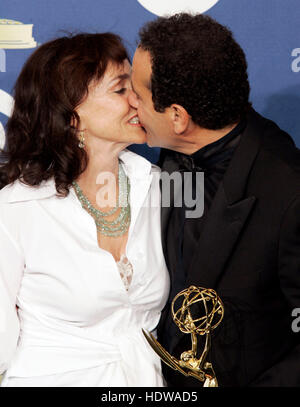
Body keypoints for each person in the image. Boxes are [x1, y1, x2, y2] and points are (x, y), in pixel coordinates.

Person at [129, 13, 300, 386]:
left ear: (177, 117)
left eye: (136, 94)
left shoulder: (289, 192)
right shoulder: (173, 151)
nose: (130, 104)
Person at [0, 33, 170, 387]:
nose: (139, 101)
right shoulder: (17, 208)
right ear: (72, 115)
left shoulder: (155, 186)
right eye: (121, 90)